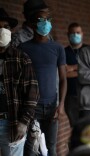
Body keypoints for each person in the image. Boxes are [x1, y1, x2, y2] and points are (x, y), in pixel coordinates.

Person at [19, 5, 67, 156]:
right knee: (31, 148)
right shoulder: (23, 48)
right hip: (32, 107)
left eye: (47, 19)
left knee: (51, 147)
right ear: (33, 25)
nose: (45, 23)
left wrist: (61, 105)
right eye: (41, 20)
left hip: (52, 106)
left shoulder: (57, 48)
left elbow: (64, 79)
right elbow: (19, 80)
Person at [0, 8, 39, 156]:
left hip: (12, 123)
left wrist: (23, 122)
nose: (2, 30)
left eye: (6, 27)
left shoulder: (21, 58)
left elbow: (32, 93)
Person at [65, 22, 87, 127]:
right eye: (72, 33)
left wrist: (73, 68)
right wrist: (84, 70)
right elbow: (63, 74)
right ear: (68, 35)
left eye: (78, 32)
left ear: (82, 34)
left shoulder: (89, 51)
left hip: (88, 95)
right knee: (75, 127)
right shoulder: (64, 52)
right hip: (71, 95)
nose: (75, 35)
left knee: (89, 126)